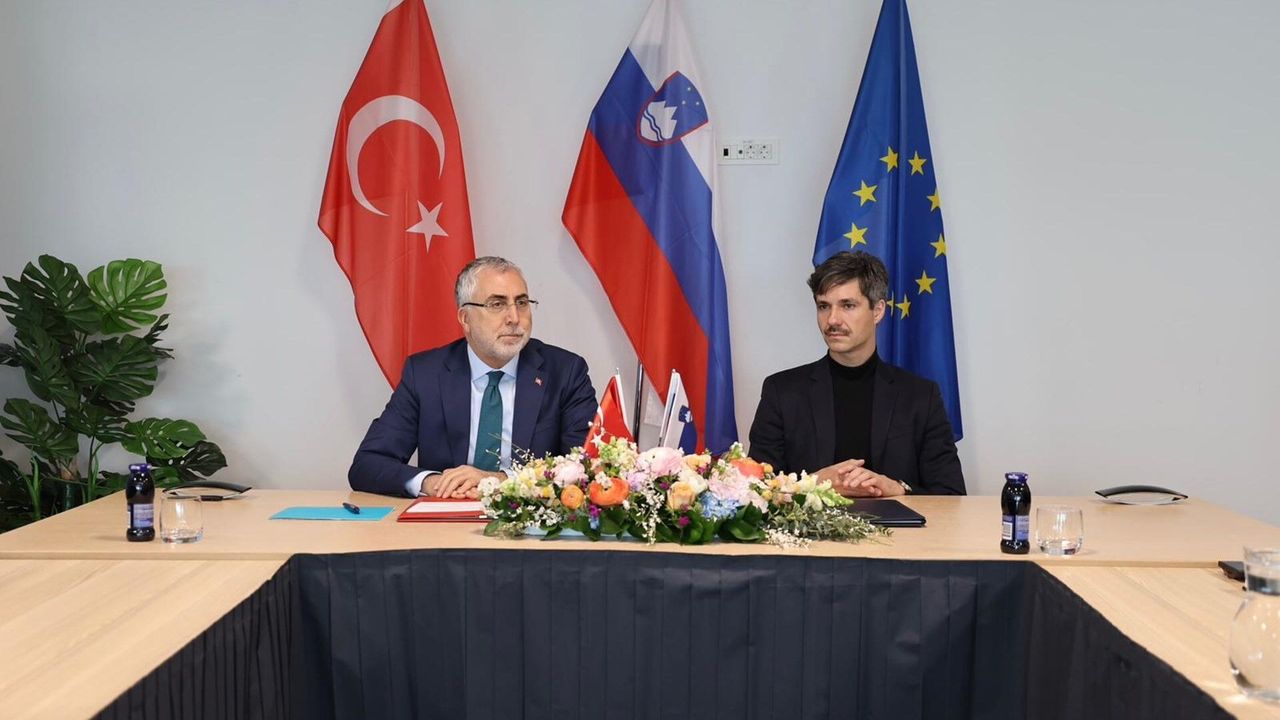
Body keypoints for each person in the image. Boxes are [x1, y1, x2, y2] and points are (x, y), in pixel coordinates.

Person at [349, 256, 596, 498]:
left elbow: (587, 467)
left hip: (529, 521)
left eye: (521, 303)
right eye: (497, 304)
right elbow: (368, 464)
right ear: (465, 318)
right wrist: (432, 483)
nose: (514, 318)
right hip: (448, 517)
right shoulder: (426, 374)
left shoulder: (565, 372)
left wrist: (502, 481)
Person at [748, 251, 965, 496]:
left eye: (847, 306)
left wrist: (898, 489)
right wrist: (811, 484)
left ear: (878, 310)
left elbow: (952, 495)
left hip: (896, 523)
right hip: (811, 523)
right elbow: (755, 493)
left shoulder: (921, 396)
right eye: (823, 306)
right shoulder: (781, 391)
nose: (832, 320)